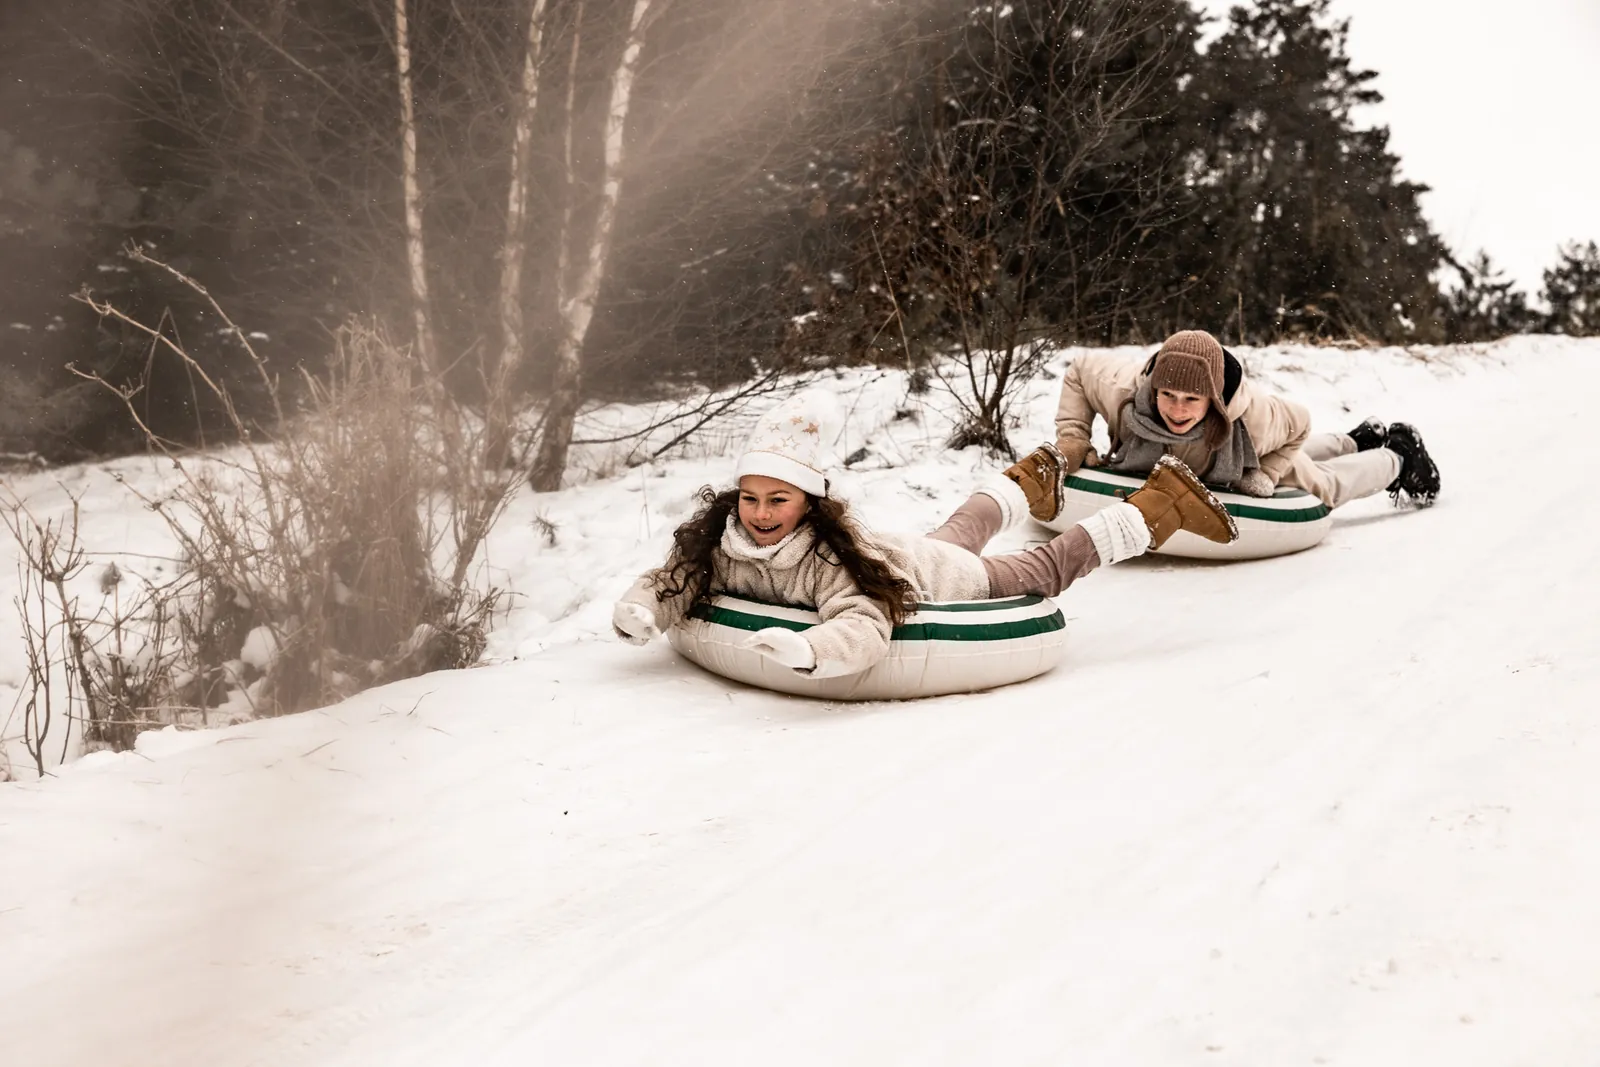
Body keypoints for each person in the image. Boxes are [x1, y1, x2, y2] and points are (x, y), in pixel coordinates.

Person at [612, 389, 1237, 679]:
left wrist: (812, 651)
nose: (760, 513)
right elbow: (676, 577)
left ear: (808, 506)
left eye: (778, 499)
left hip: (935, 575)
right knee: (956, 531)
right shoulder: (725, 545)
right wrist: (644, 607)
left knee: (1040, 570)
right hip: (910, 548)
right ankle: (1030, 480)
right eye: (749, 499)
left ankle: (1159, 505)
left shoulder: (826, 559)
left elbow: (862, 621)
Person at [1004, 329, 1440, 523]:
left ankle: (1398, 456)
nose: (1176, 409)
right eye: (1167, 396)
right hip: (1177, 459)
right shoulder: (1124, 390)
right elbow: (1079, 369)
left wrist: (1265, 473)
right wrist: (1074, 438)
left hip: (1241, 454)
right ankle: (1354, 438)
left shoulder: (1251, 417)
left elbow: (1299, 426)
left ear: (1212, 399)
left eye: (1192, 400)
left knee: (1323, 488)